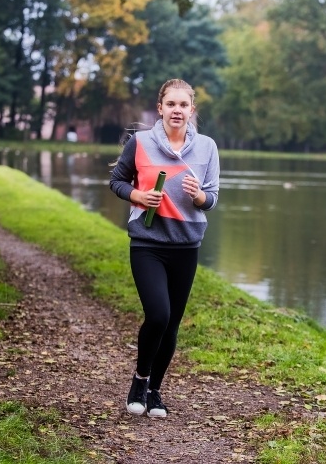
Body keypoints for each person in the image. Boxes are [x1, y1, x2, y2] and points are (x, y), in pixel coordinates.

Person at [108, 79, 220, 418]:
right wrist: (138, 196)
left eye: (183, 105)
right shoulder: (140, 143)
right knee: (158, 314)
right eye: (171, 104)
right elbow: (117, 180)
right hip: (148, 243)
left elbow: (212, 198)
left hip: (186, 245)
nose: (177, 110)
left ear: (191, 110)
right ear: (160, 108)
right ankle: (139, 380)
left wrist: (198, 196)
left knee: (172, 325)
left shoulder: (207, 148)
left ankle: (155, 390)